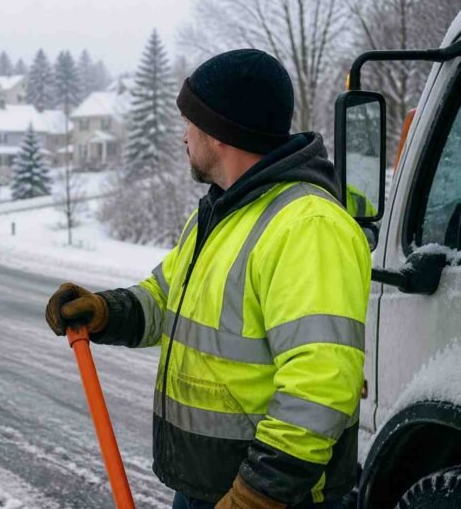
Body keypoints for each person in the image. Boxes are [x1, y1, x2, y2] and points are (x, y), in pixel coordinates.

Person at [45, 49, 371, 509]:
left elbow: (321, 384)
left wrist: (259, 493)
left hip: (275, 498)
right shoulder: (221, 212)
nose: (184, 136)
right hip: (211, 488)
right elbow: (164, 297)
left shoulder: (307, 225)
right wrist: (104, 312)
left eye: (191, 122)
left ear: (220, 131)